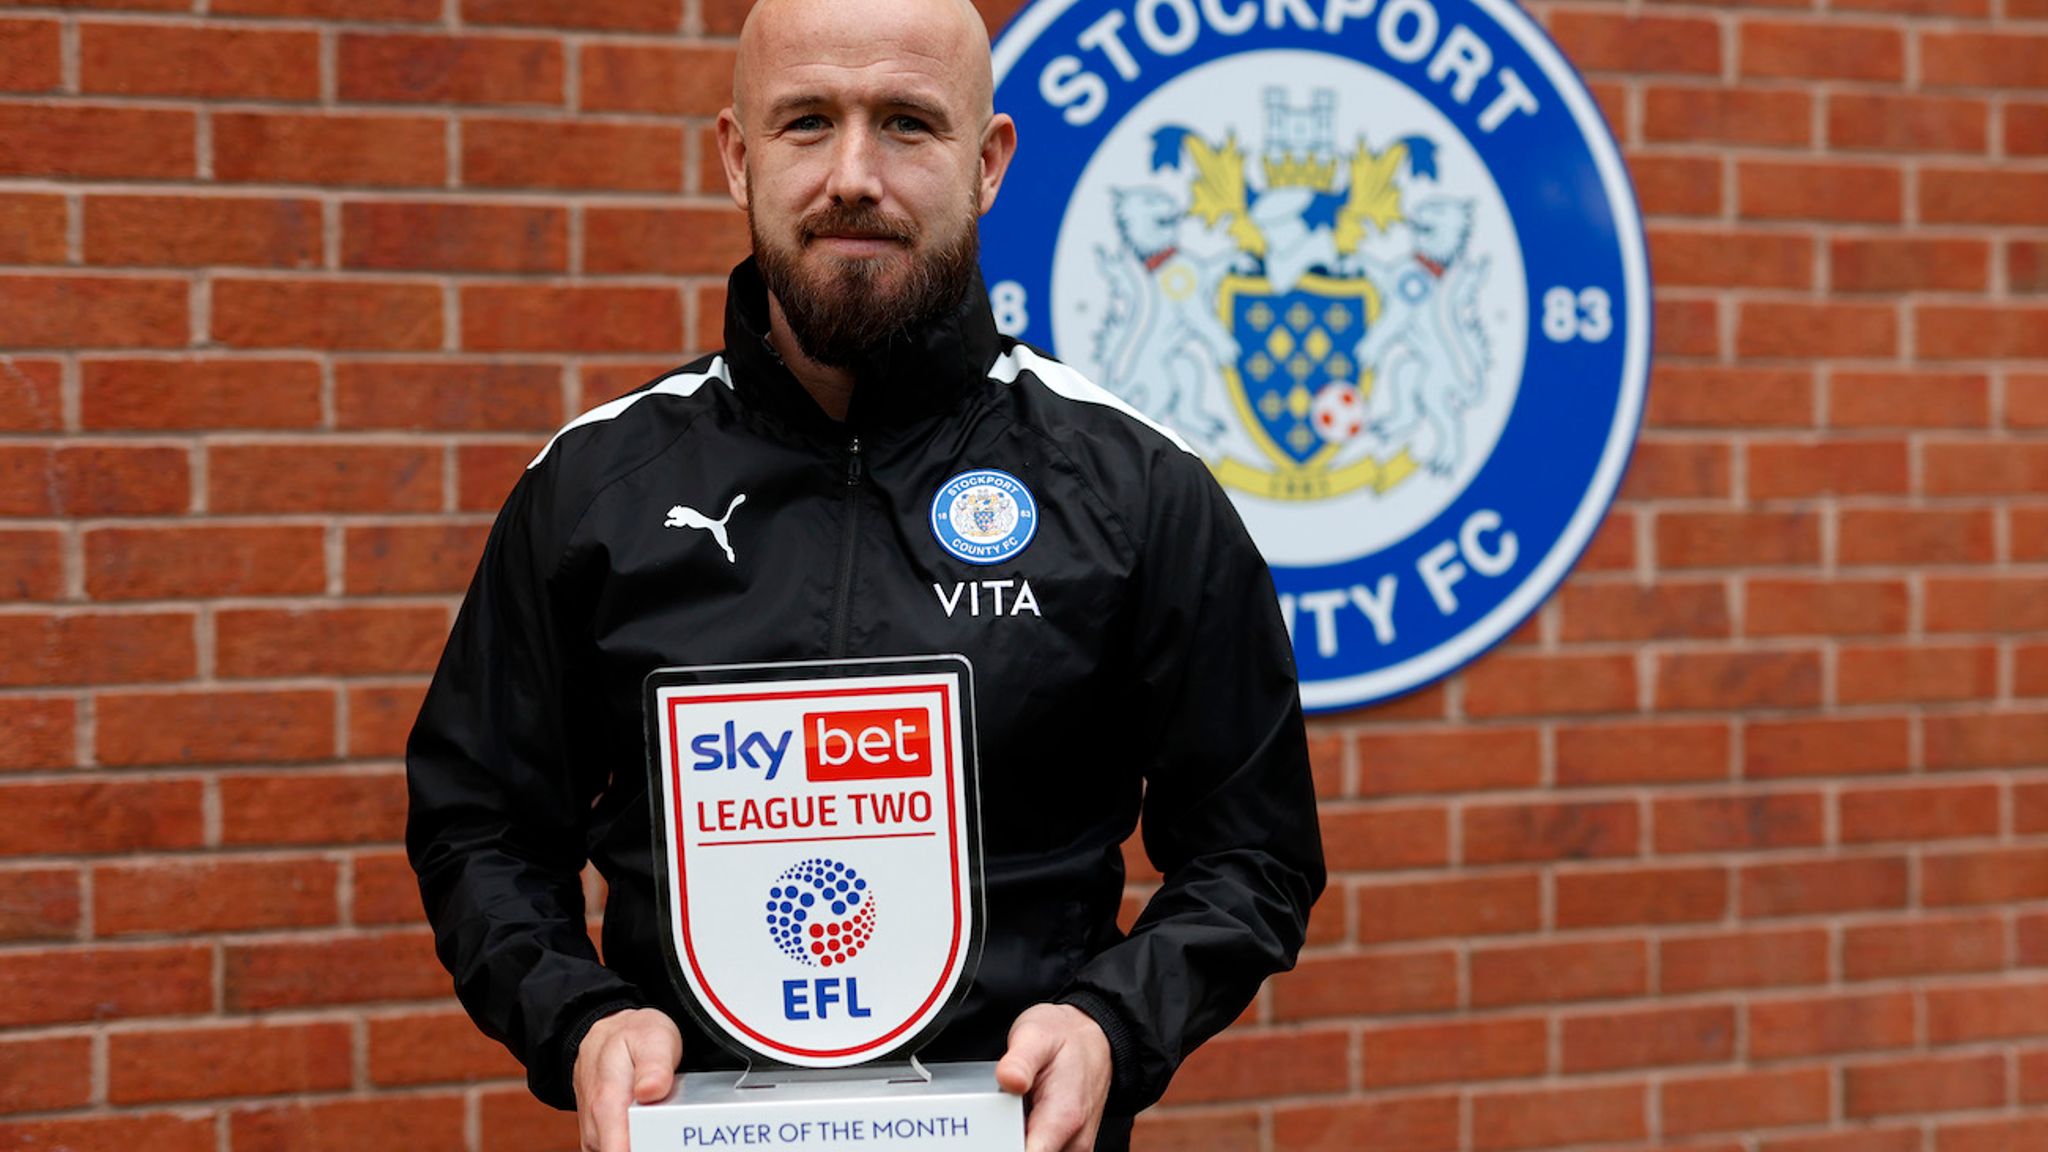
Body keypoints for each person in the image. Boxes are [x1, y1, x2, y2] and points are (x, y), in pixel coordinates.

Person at [404, 0, 1325, 1149]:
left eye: (904, 123)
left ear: (986, 163)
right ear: (737, 157)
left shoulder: (1135, 491)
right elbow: (480, 823)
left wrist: (1106, 1027)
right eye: (804, 123)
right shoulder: (599, 490)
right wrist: (581, 1021)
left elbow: (1253, 851)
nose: (853, 174)